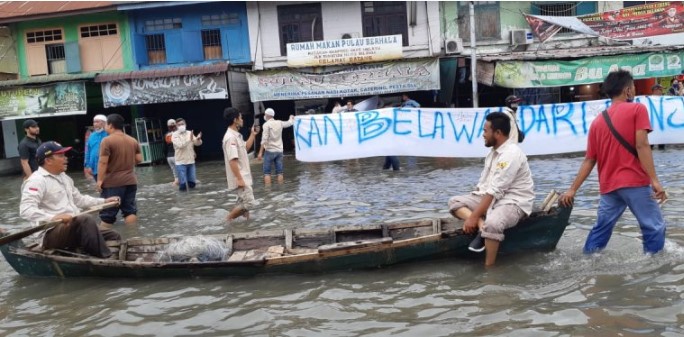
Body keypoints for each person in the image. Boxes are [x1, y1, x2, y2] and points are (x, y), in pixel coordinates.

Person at [559, 70, 667, 255]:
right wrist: (655, 181)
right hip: (634, 182)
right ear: (627, 91)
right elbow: (642, 145)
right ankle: (654, 266)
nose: (634, 90)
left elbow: (589, 160)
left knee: (601, 229)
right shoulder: (637, 109)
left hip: (609, 187)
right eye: (633, 87)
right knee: (654, 227)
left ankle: (588, 260)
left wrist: (572, 189)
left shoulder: (597, 122)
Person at [447, 112, 535, 267]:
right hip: (491, 198)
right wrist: (476, 218)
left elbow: (495, 191)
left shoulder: (511, 154)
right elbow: (484, 187)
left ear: (498, 133)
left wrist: (473, 217)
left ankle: (490, 269)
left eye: (485, 131)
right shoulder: (493, 153)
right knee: (454, 202)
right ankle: (482, 228)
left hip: (513, 202)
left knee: (493, 223)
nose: (483, 135)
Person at [20, 141, 121, 258]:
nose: (66, 159)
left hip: (72, 227)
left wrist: (104, 201)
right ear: (48, 160)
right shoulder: (36, 180)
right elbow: (26, 209)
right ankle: (106, 259)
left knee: (113, 235)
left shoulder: (65, 178)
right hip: (50, 233)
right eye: (61, 156)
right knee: (85, 219)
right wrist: (53, 217)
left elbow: (80, 200)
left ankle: (102, 255)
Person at [97, 114, 142, 227]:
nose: (105, 127)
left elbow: (103, 162)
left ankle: (104, 239)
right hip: (131, 181)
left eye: (106, 124)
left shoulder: (106, 141)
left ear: (111, 125)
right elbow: (139, 160)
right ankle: (132, 235)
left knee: (107, 214)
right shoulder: (132, 140)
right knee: (130, 210)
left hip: (113, 182)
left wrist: (99, 180)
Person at [223, 107, 259, 222]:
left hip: (244, 175)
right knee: (249, 203)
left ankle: (244, 226)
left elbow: (246, 148)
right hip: (240, 176)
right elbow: (232, 160)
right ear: (235, 119)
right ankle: (227, 221)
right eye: (241, 117)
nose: (242, 119)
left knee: (245, 205)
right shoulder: (230, 138)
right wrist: (239, 178)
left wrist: (253, 134)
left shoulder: (236, 135)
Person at [257, 108, 295, 184]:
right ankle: (281, 189)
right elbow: (290, 123)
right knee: (280, 172)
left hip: (270, 151)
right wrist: (291, 117)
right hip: (279, 151)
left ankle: (268, 192)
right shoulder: (279, 123)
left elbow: (264, 139)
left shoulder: (266, 125)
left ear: (267, 115)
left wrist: (260, 152)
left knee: (267, 173)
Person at [172, 118, 203, 191]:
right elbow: (180, 145)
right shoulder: (174, 135)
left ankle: (191, 200)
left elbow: (197, 143)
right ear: (176, 126)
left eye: (182, 124)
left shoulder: (190, 133)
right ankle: (183, 200)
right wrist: (190, 139)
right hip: (180, 162)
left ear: (185, 124)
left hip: (191, 161)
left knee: (192, 183)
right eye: (179, 125)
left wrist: (198, 139)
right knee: (183, 185)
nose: (181, 126)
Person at [83, 114, 108, 182]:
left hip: (107, 168)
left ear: (104, 123)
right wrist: (87, 166)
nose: (95, 124)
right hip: (94, 168)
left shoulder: (109, 134)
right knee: (100, 188)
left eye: (97, 122)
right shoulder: (92, 136)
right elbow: (88, 152)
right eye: (94, 122)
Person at [164, 119, 179, 185]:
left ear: (168, 127)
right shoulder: (177, 133)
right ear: (175, 125)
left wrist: (166, 155)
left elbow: (164, 147)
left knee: (175, 173)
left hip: (169, 157)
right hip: (176, 155)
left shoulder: (166, 135)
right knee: (180, 171)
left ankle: (176, 182)